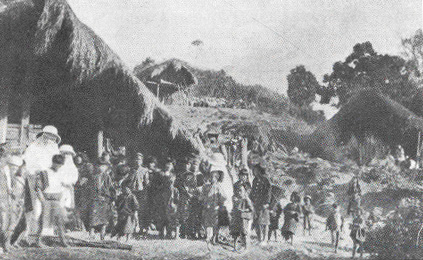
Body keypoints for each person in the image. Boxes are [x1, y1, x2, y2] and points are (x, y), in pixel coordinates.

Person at [23, 125, 61, 236]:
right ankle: (31, 231)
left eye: (52, 137)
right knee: (36, 205)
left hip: (51, 181)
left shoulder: (54, 150)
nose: (50, 140)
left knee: (50, 206)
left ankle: (47, 232)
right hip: (35, 178)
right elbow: (27, 163)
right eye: (48, 136)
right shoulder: (33, 147)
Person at [34, 154, 69, 248]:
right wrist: (42, 200)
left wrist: (64, 199)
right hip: (47, 199)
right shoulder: (44, 172)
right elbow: (37, 188)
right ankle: (38, 241)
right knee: (44, 221)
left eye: (60, 165)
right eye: (57, 164)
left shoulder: (62, 173)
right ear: (53, 162)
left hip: (58, 200)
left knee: (60, 220)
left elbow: (64, 186)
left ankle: (63, 241)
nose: (59, 166)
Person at [87, 152, 116, 240]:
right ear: (96, 167)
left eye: (103, 166)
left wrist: (112, 198)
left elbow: (111, 188)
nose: (101, 168)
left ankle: (102, 234)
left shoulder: (107, 177)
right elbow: (90, 188)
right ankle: (91, 233)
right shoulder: (93, 177)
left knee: (104, 218)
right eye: (99, 166)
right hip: (95, 199)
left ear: (106, 167)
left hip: (105, 199)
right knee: (93, 217)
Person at [124, 153, 149, 234]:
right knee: (133, 210)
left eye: (139, 159)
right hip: (133, 192)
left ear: (141, 161)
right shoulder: (131, 170)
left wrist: (145, 191)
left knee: (140, 210)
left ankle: (141, 228)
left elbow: (146, 183)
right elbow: (127, 180)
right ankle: (133, 227)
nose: (137, 161)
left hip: (141, 192)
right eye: (136, 159)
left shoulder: (145, 170)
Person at [201, 170, 224, 250]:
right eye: (210, 177)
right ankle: (208, 237)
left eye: (213, 177)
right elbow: (203, 195)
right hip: (207, 207)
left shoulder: (218, 187)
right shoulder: (206, 186)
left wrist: (219, 205)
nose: (211, 178)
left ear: (217, 178)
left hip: (215, 208)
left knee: (215, 224)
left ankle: (214, 238)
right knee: (207, 222)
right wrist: (204, 200)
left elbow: (223, 197)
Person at [250, 164, 272, 246]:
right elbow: (252, 191)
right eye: (254, 170)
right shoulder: (255, 180)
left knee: (265, 222)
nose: (254, 172)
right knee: (257, 221)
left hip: (264, 204)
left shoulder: (265, 180)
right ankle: (259, 239)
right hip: (256, 204)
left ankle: (265, 239)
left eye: (256, 170)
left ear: (259, 170)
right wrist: (251, 200)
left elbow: (268, 192)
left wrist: (267, 203)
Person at [231, 185, 254, 250]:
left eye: (241, 190)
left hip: (243, 218)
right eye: (238, 190)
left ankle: (246, 247)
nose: (239, 192)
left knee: (244, 232)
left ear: (244, 191)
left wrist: (244, 210)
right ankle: (235, 247)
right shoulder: (236, 199)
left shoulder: (246, 199)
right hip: (236, 217)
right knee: (235, 232)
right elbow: (234, 208)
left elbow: (251, 208)